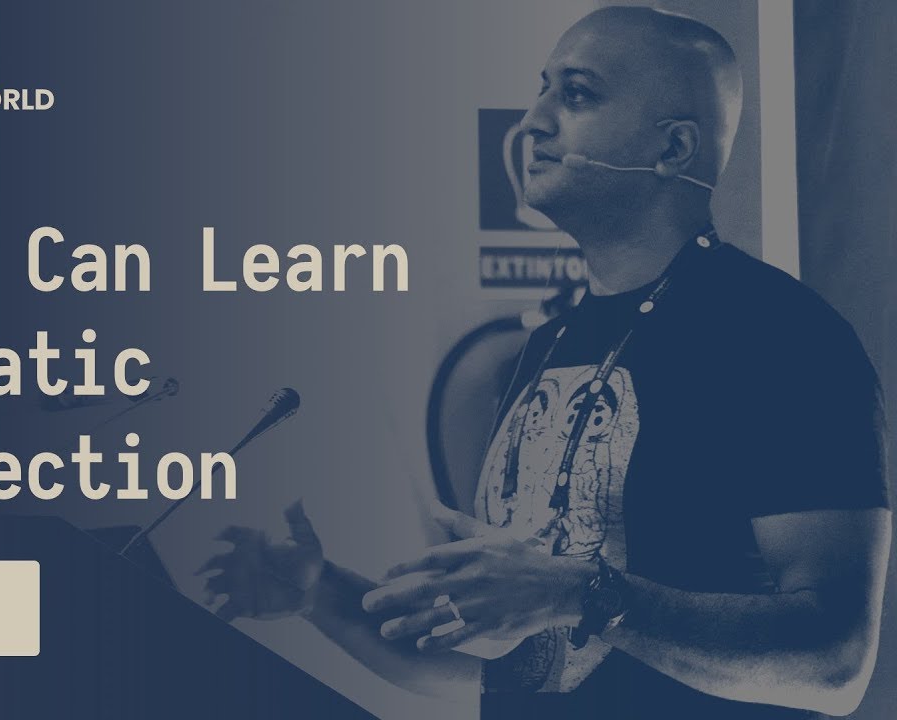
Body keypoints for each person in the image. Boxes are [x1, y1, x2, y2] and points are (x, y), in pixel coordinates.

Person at [196, 6, 891, 718]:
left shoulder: (783, 336)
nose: (533, 121)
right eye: (542, 89)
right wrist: (322, 594)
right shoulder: (551, 344)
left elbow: (834, 664)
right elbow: (533, 674)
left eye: (578, 94)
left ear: (673, 148)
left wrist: (585, 594)